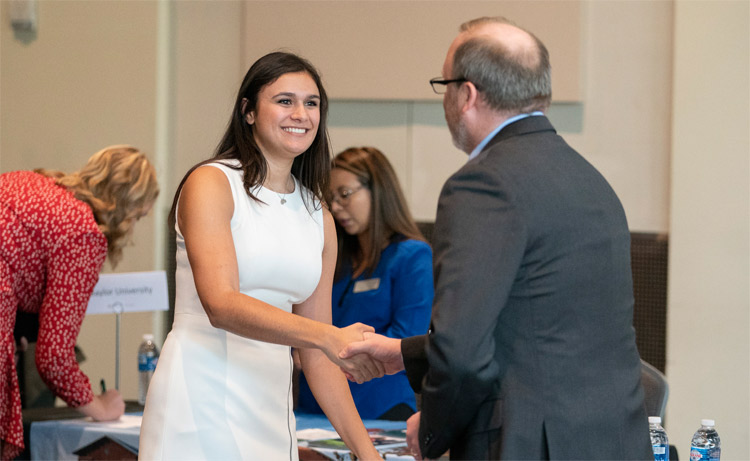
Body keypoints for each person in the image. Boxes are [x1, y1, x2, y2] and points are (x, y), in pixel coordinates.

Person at [341, 16, 652, 460]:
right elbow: (536, 331)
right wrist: (402, 352)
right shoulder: (591, 181)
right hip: (612, 439)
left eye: (443, 85)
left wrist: (432, 430)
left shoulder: (482, 185)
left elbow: (465, 354)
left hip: (528, 444)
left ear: (466, 94)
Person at [138, 52, 382, 460]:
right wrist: (326, 336)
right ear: (248, 111)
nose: (300, 114)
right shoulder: (212, 183)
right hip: (198, 398)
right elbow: (222, 304)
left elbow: (318, 358)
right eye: (284, 101)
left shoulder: (317, 213)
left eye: (312, 103)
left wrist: (366, 452)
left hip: (270, 408)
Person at [0, 145, 159, 460]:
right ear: (126, 210)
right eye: (138, 217)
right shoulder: (82, 234)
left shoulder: (31, 182)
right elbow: (54, 358)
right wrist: (100, 406)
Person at [296, 147, 433, 421]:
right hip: (315, 407)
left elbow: (406, 339)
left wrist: (332, 353)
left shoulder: (411, 256)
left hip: (380, 407)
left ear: (378, 190)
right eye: (331, 198)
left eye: (344, 194)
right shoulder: (333, 257)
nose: (335, 207)